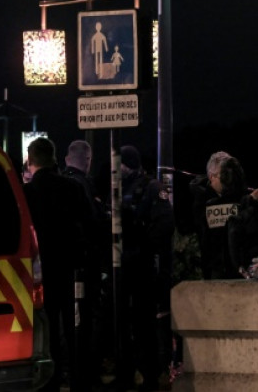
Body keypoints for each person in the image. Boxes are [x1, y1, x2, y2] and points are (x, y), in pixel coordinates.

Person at [23, 137, 95, 392]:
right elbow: (90, 225)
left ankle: (50, 380)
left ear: (30, 160)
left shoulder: (28, 193)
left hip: (41, 271)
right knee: (75, 325)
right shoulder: (72, 187)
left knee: (48, 326)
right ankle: (79, 377)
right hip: (72, 269)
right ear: (54, 157)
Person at [109, 145, 174, 392]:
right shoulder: (117, 188)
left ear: (130, 164)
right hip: (121, 268)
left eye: (120, 165)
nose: (117, 170)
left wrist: (142, 244)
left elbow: (165, 225)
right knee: (121, 323)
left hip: (143, 268)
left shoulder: (152, 188)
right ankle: (125, 373)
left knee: (144, 325)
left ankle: (150, 376)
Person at [60, 139, 109, 386]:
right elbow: (95, 222)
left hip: (62, 264)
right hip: (86, 263)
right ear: (87, 160)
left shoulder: (61, 182)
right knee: (90, 316)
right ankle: (87, 370)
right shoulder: (84, 185)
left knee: (68, 317)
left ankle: (69, 367)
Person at [190, 151, 258, 280]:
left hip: (233, 274)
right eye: (225, 174)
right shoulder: (204, 202)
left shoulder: (210, 202)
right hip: (224, 274)